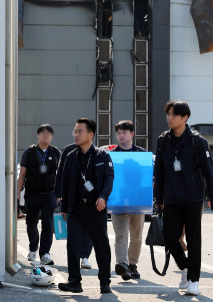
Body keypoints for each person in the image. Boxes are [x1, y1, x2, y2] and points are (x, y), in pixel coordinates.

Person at [154, 100, 213, 296]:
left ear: (185, 118)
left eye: (174, 114)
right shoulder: (163, 140)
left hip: (192, 198)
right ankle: (184, 267)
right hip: (171, 199)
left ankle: (193, 280)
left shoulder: (198, 142)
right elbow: (160, 170)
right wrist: (159, 196)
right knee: (169, 238)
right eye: (168, 114)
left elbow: (209, 171)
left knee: (193, 240)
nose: (169, 118)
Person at [58, 118, 114, 294]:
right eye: (75, 131)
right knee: (72, 246)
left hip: (95, 208)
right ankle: (74, 281)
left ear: (91, 134)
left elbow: (109, 178)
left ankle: (105, 282)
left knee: (101, 245)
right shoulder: (70, 156)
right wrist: (65, 208)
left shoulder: (102, 155)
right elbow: (65, 183)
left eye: (79, 131)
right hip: (76, 208)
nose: (76, 134)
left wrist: (103, 197)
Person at [17, 124, 61, 266]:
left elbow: (60, 175)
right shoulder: (29, 153)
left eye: (48, 133)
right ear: (38, 135)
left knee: (48, 224)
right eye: (42, 133)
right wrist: (17, 193)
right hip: (32, 193)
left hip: (50, 194)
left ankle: (45, 253)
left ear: (51, 136)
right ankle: (33, 248)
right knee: (31, 223)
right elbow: (22, 174)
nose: (45, 135)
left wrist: (60, 192)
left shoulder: (55, 153)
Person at [110, 120, 147, 281]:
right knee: (121, 235)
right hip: (118, 200)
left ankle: (133, 264)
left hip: (138, 200)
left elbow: (148, 178)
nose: (121, 135)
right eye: (118, 133)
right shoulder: (110, 155)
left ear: (131, 134)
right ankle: (122, 264)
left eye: (124, 132)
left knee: (137, 237)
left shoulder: (142, 154)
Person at [55, 143, 93, 270]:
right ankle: (74, 259)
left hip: (90, 198)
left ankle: (85, 257)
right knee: (73, 231)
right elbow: (61, 173)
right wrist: (59, 193)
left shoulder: (96, 152)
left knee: (88, 229)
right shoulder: (69, 151)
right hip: (73, 198)